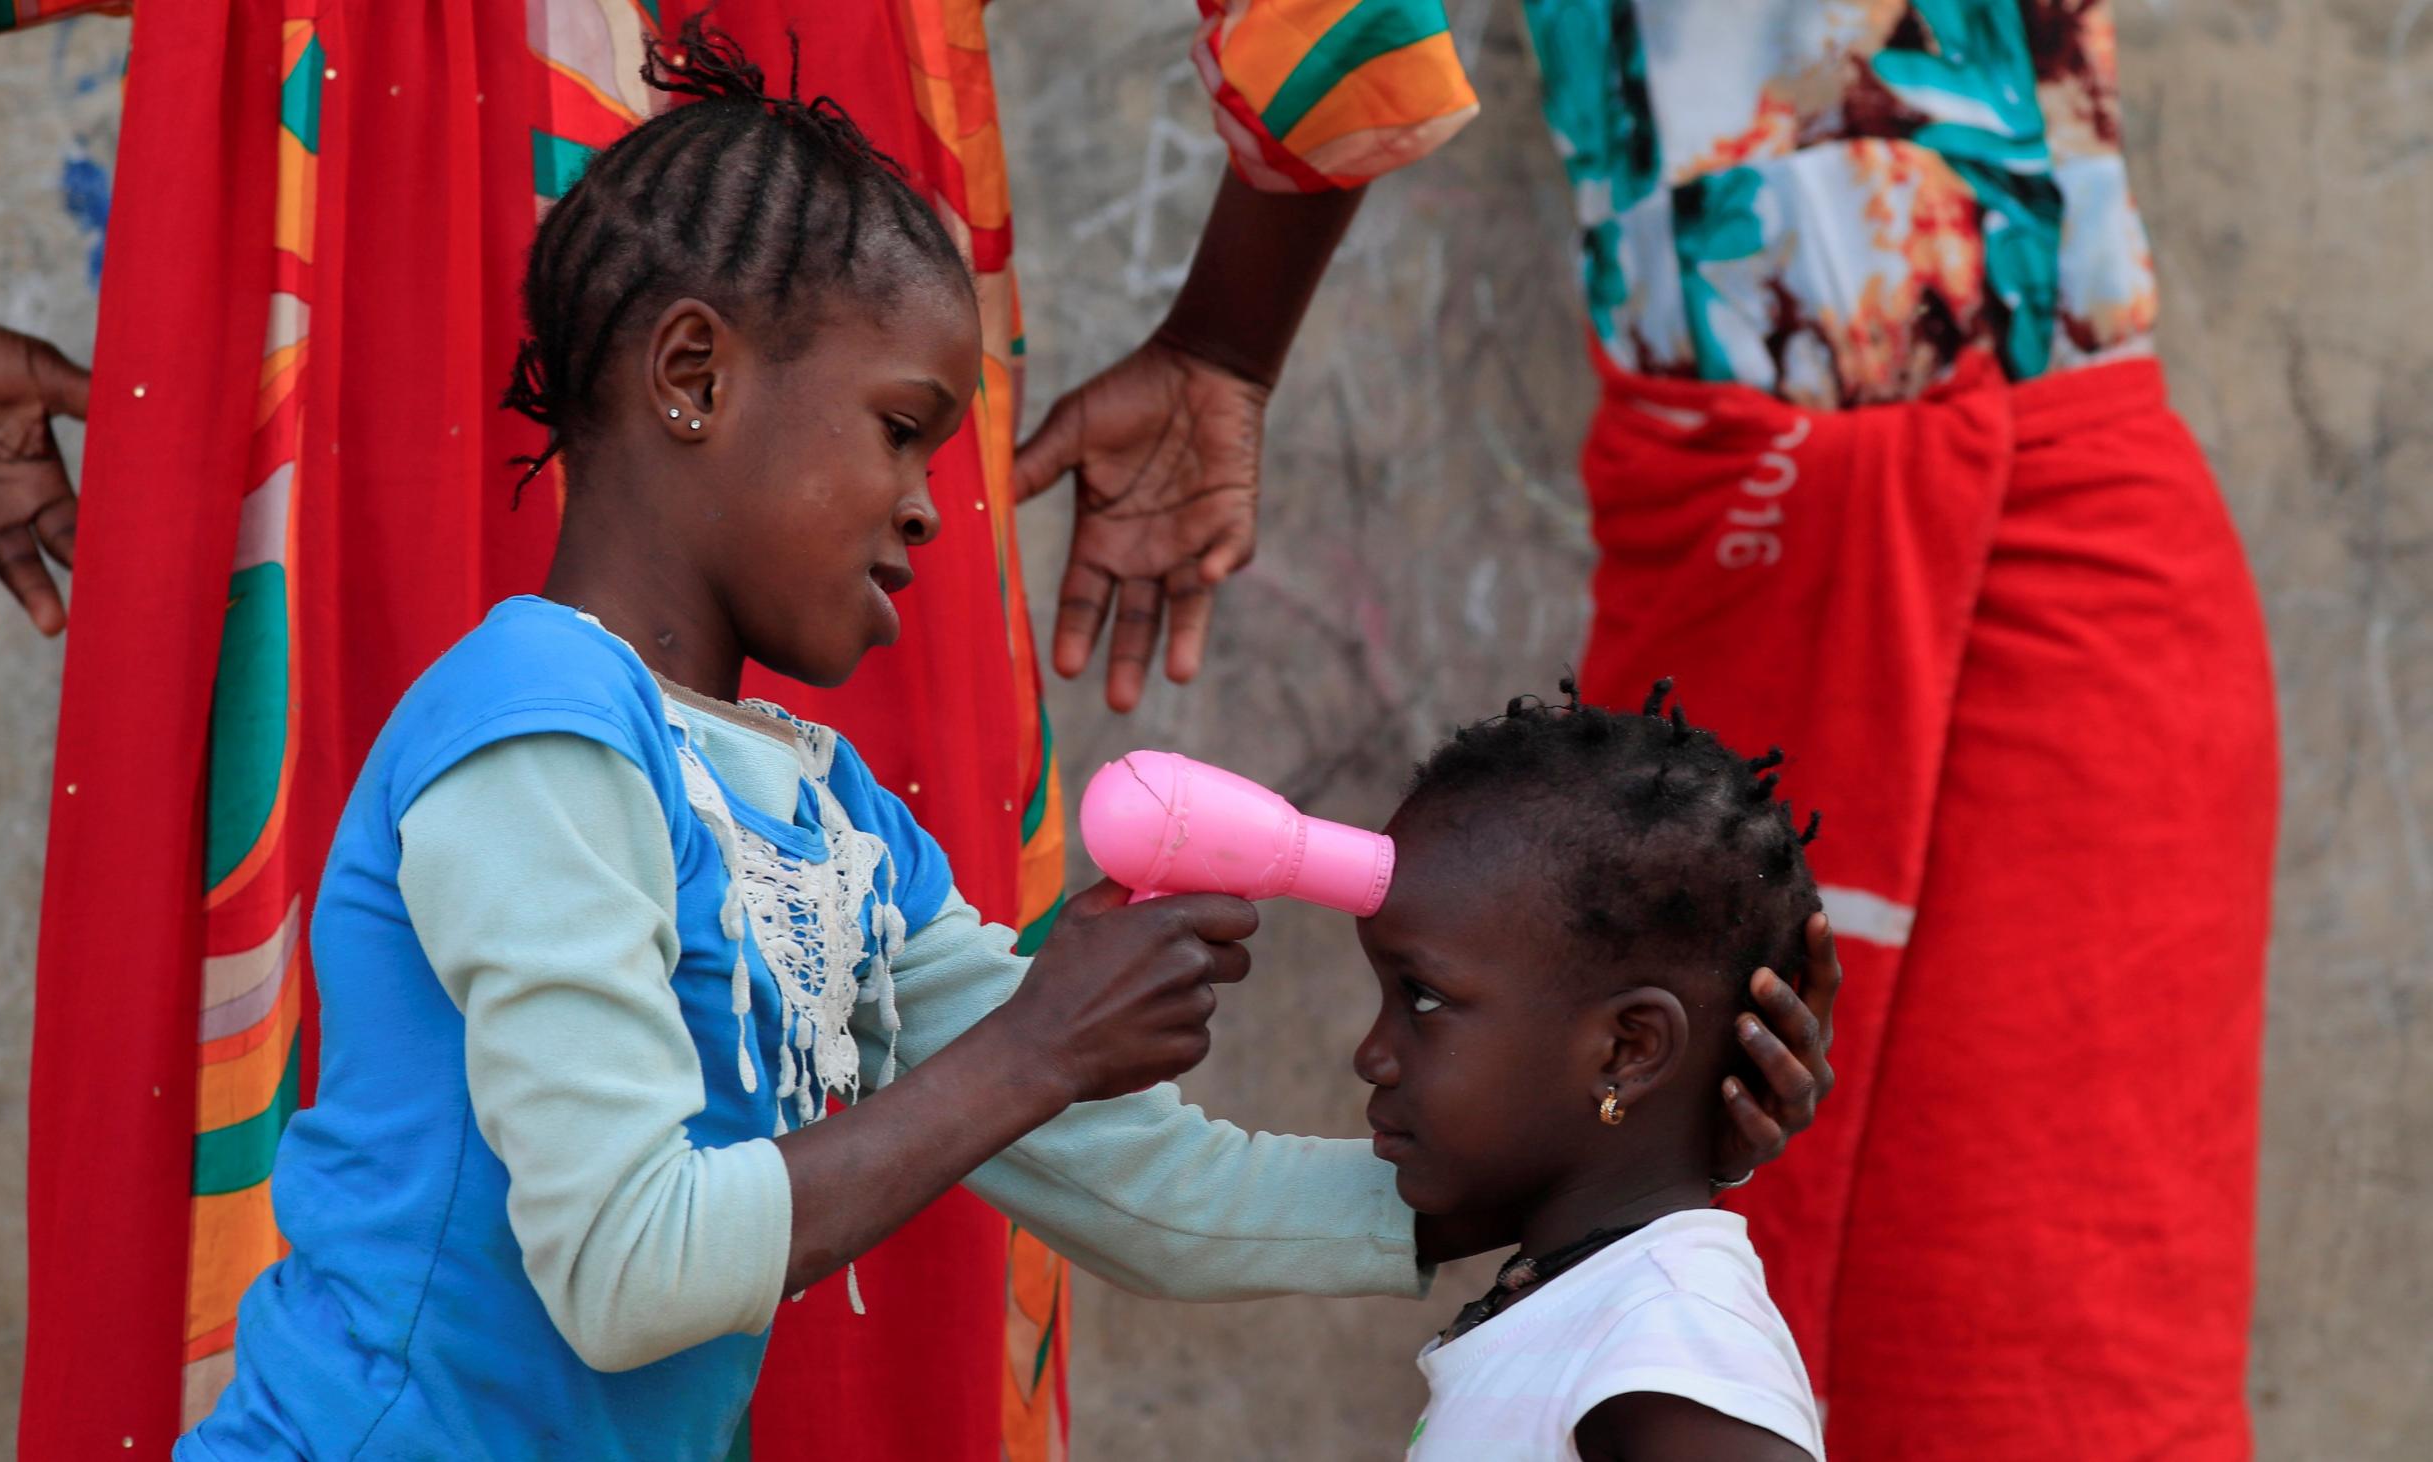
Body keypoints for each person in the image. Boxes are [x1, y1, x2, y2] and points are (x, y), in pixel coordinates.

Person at [174, 31, 1835, 1462]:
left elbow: (1146, 1196)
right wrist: (1033, 1046)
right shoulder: (531, 734)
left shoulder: (824, 820)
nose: (926, 506)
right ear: (692, 375)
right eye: (902, 427)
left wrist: (1596, 1153)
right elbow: (624, 1267)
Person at [1513, 5, 2276, 1458]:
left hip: (2069, 600)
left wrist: (1228, 346)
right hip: (1721, 559)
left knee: (2044, 1344)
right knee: (1673, 1320)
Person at [1366, 677, 1827, 1462]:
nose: (1372, 1054)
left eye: (1426, 1000)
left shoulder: (1669, 1350)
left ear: (1627, 1049)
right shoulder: (1587, 1307)